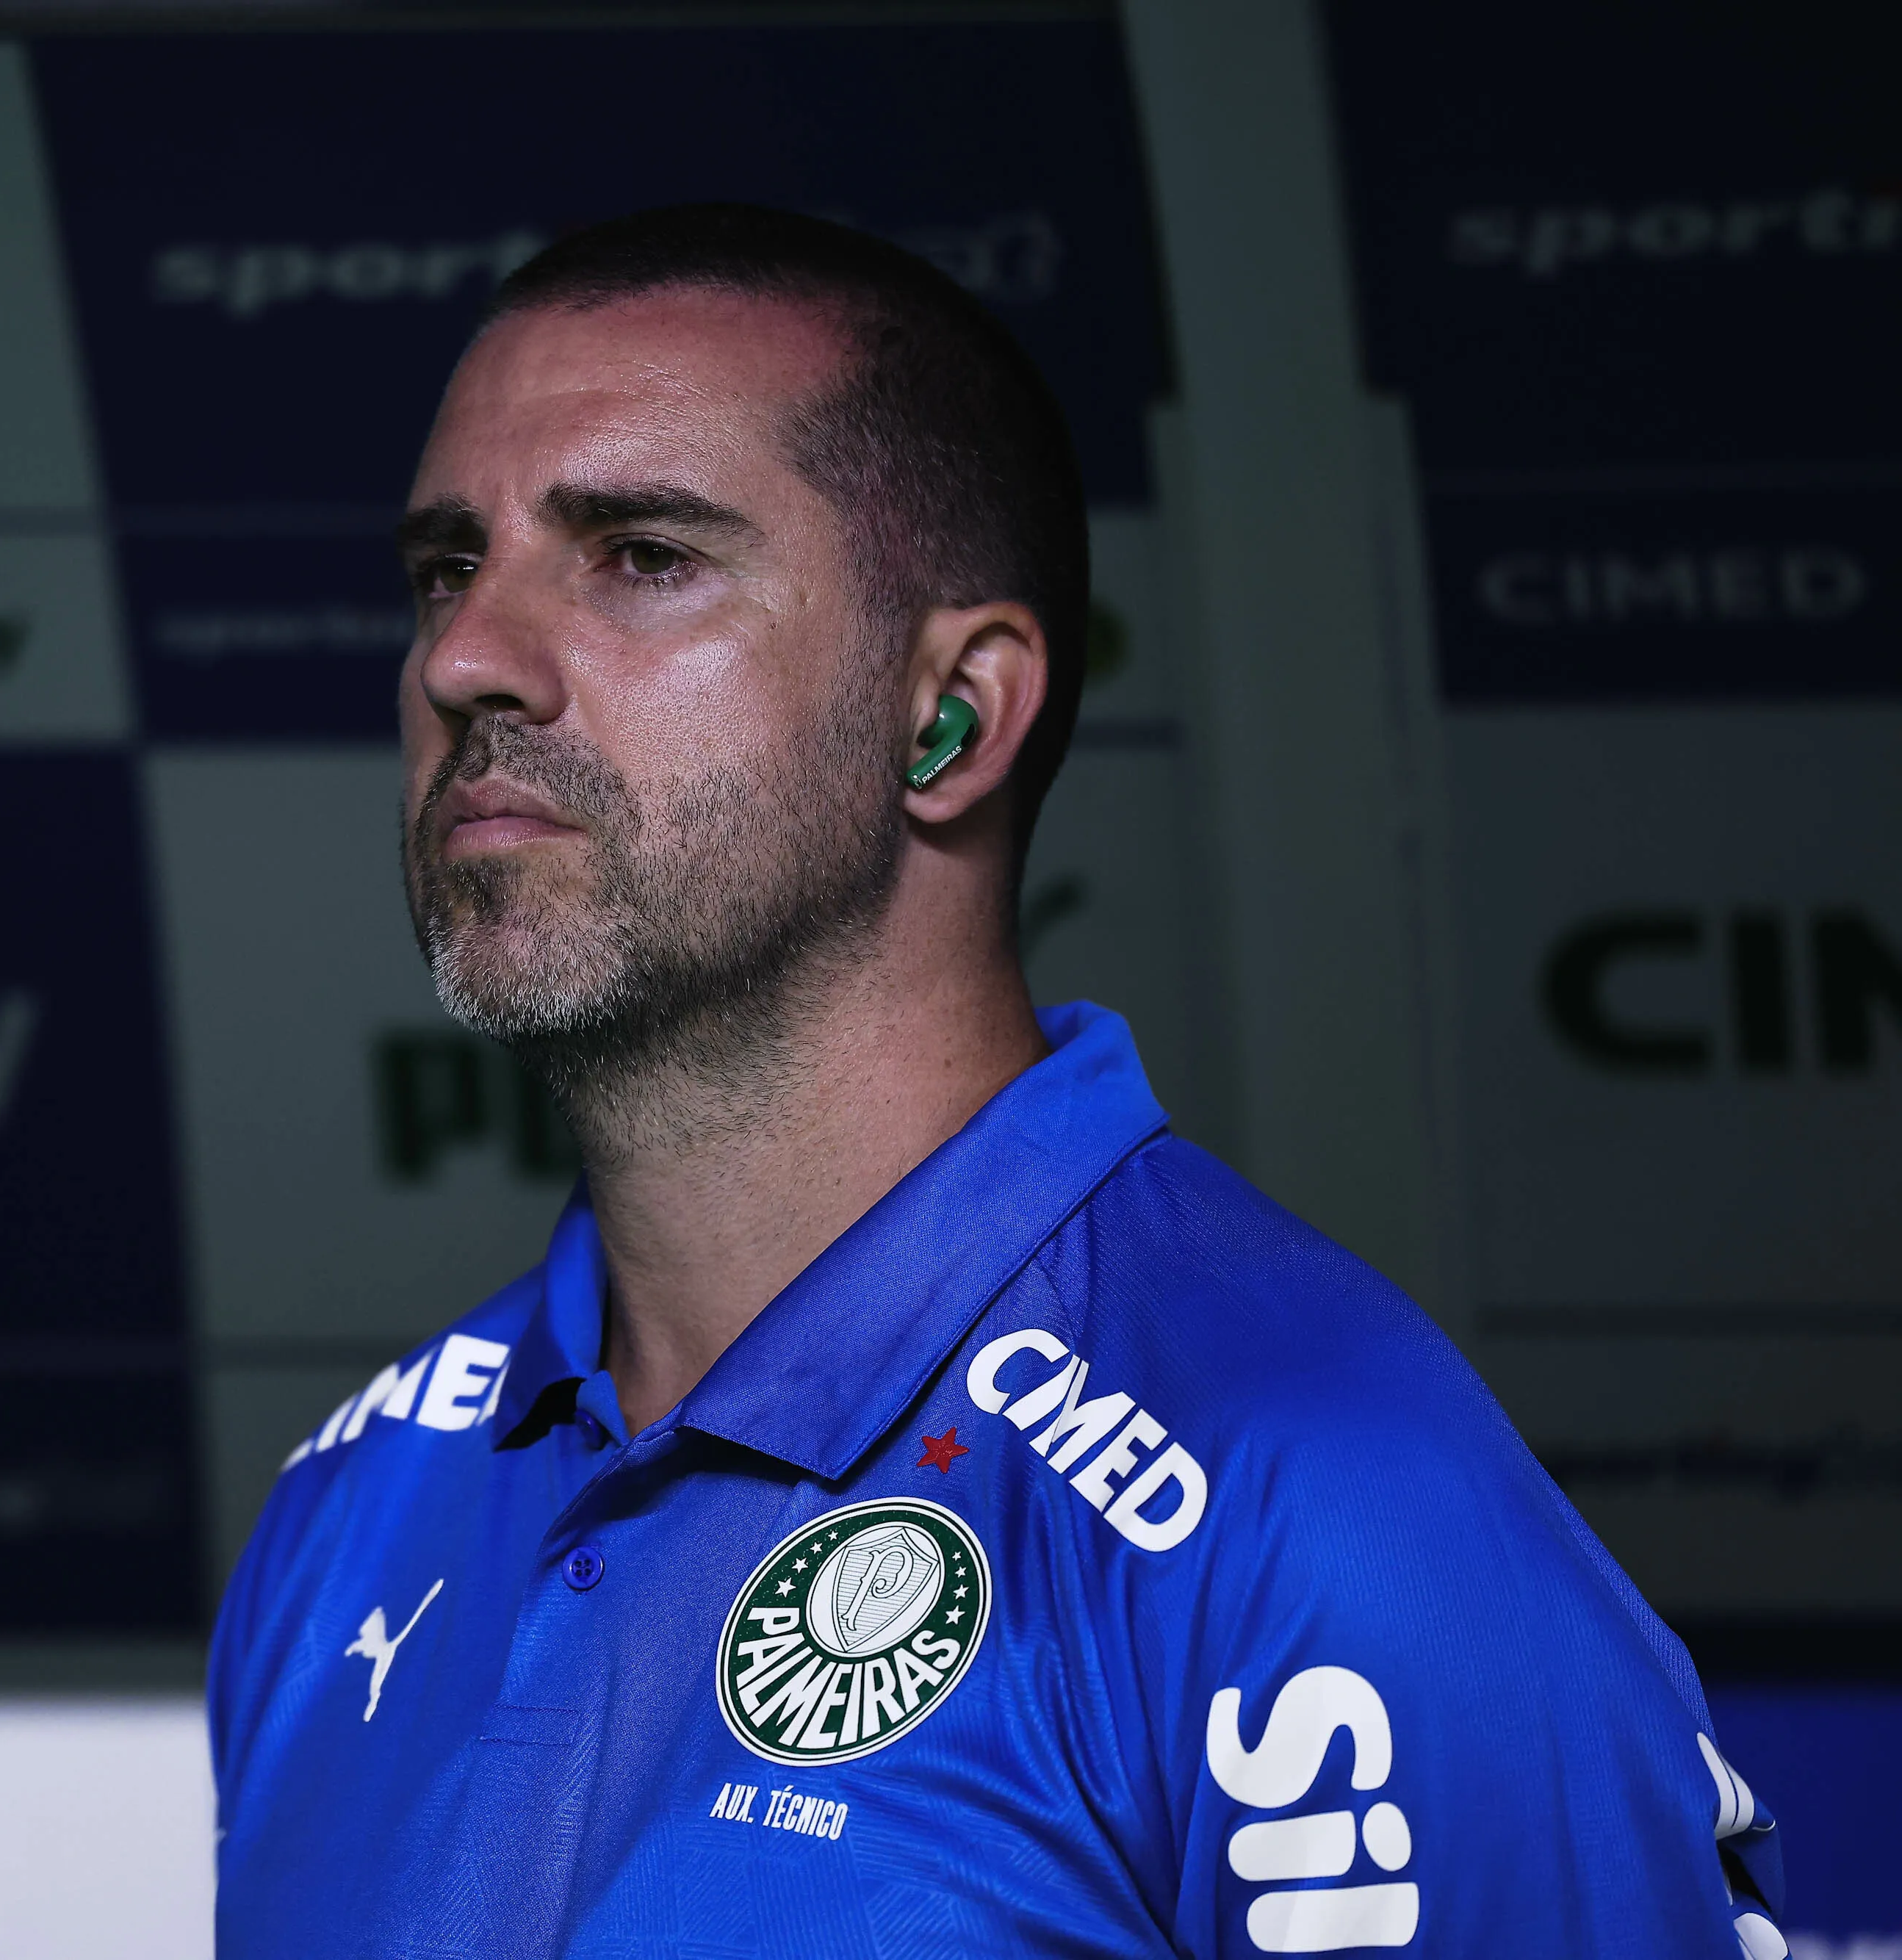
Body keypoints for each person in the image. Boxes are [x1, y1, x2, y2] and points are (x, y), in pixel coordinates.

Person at [208, 204, 1786, 1958]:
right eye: (446, 567)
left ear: (950, 713)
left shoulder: (1318, 1509)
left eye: (638, 554)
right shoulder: (348, 1512)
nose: (463, 658)